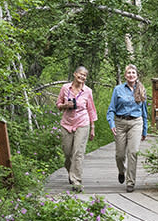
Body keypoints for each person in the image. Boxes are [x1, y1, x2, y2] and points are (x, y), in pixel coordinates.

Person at [106, 64, 148, 192]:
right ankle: (121, 171)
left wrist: (144, 130)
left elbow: (144, 112)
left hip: (136, 122)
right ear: (125, 75)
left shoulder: (141, 89)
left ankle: (131, 182)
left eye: (133, 73)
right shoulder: (118, 89)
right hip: (120, 122)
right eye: (129, 73)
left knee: (133, 152)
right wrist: (112, 124)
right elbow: (111, 110)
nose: (131, 75)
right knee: (119, 155)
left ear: (136, 76)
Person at [56, 66, 97, 192]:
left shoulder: (87, 91)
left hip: (82, 123)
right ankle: (71, 172)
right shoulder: (65, 88)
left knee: (78, 153)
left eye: (84, 75)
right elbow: (58, 105)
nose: (82, 77)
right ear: (75, 74)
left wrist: (92, 128)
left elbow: (91, 109)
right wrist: (64, 105)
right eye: (80, 74)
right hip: (67, 123)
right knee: (68, 153)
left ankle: (76, 181)